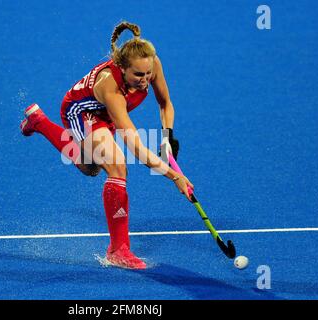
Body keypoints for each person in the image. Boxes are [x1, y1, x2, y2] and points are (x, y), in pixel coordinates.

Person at [20, 21, 194, 270]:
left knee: (92, 167)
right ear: (123, 68)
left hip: (109, 113)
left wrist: (167, 136)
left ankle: (37, 121)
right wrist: (173, 175)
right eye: (138, 75)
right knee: (116, 167)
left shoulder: (151, 63)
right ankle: (118, 250)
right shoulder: (109, 87)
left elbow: (165, 103)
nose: (145, 81)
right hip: (83, 110)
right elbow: (135, 145)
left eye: (148, 75)